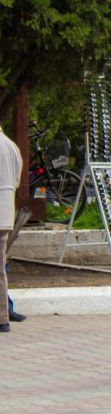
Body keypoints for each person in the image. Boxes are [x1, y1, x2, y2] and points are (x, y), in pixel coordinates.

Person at [0, 123, 23, 333]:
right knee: (0, 270)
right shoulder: (11, 146)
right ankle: (3, 317)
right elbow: (16, 181)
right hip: (6, 215)